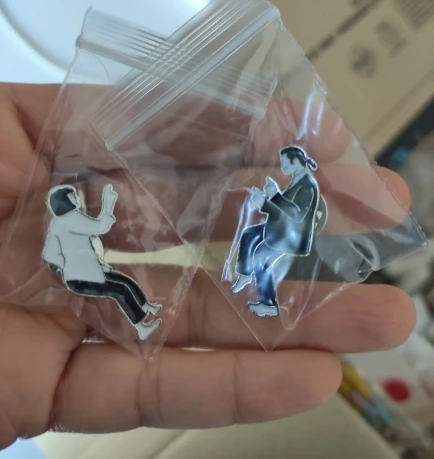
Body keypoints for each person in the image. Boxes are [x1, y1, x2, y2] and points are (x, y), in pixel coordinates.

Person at [0, 84, 416, 450]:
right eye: (73, 201)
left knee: (144, 280)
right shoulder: (69, 221)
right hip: (86, 276)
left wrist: (269, 200)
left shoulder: (306, 185)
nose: (287, 167)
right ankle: (156, 316)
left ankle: (171, 311)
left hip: (283, 238)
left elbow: (296, 215)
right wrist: (100, 215)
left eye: (289, 163)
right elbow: (97, 228)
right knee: (128, 284)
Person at [43, 183, 162, 341]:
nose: (77, 198)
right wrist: (108, 204)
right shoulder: (71, 218)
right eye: (73, 196)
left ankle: (146, 307)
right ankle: (141, 328)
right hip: (82, 279)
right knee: (120, 290)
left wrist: (67, 266)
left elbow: (49, 254)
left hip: (83, 276)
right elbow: (101, 227)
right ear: (65, 201)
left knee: (124, 280)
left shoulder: (56, 223)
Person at [232, 146, 321, 316]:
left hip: (291, 237)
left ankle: (268, 304)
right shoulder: (295, 182)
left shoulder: (308, 186)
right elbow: (280, 212)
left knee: (261, 260)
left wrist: (275, 197)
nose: (283, 169)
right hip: (280, 230)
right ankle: (245, 273)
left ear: (296, 162)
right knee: (249, 234)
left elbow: (296, 215)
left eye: (285, 165)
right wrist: (264, 201)